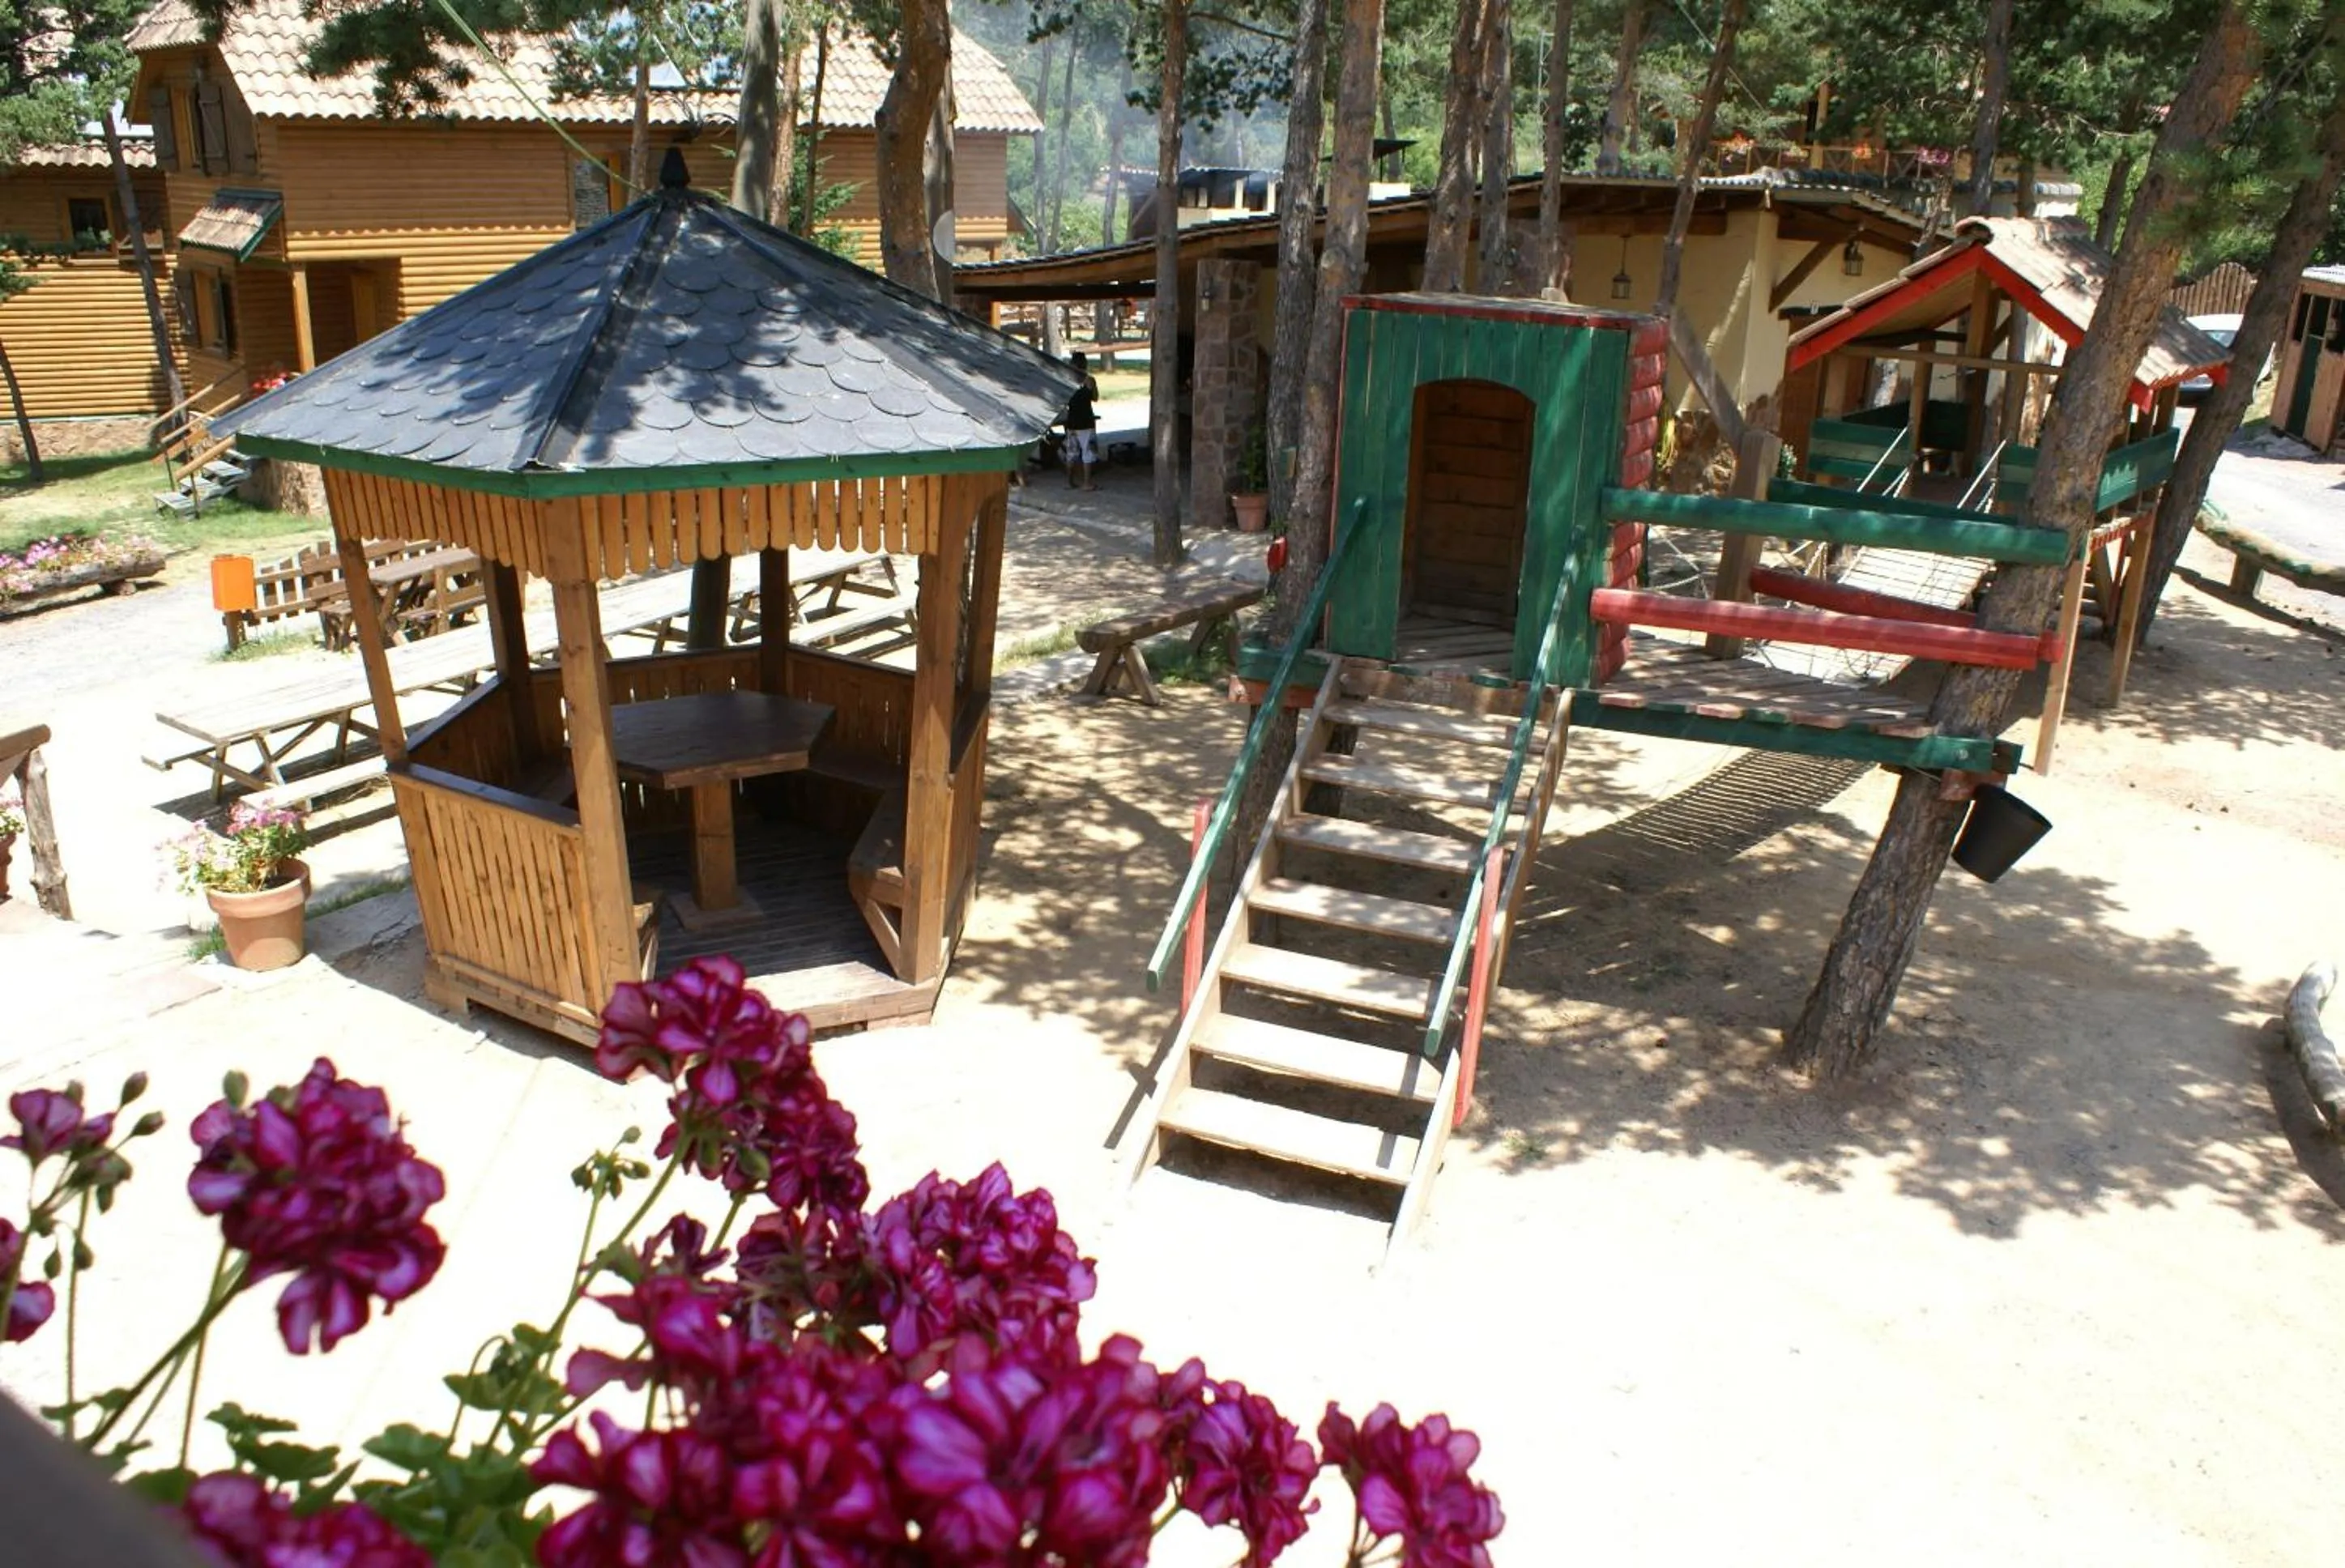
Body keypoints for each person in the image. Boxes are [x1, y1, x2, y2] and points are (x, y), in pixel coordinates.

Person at [1063, 352, 1101, 492]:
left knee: (1071, 452)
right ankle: (1087, 483)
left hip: (1071, 420)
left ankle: (1069, 482)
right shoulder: (1089, 380)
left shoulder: (1067, 380)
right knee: (1088, 452)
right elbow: (1095, 397)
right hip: (1086, 420)